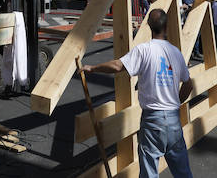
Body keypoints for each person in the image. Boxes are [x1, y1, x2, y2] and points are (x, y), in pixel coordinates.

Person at [81, 9, 193, 178]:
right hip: (173, 120)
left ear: (148, 25)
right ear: (166, 26)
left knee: (149, 172)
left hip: (153, 121)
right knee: (183, 172)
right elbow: (188, 84)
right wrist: (176, 102)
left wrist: (92, 68)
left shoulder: (143, 50)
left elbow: (118, 66)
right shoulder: (175, 53)